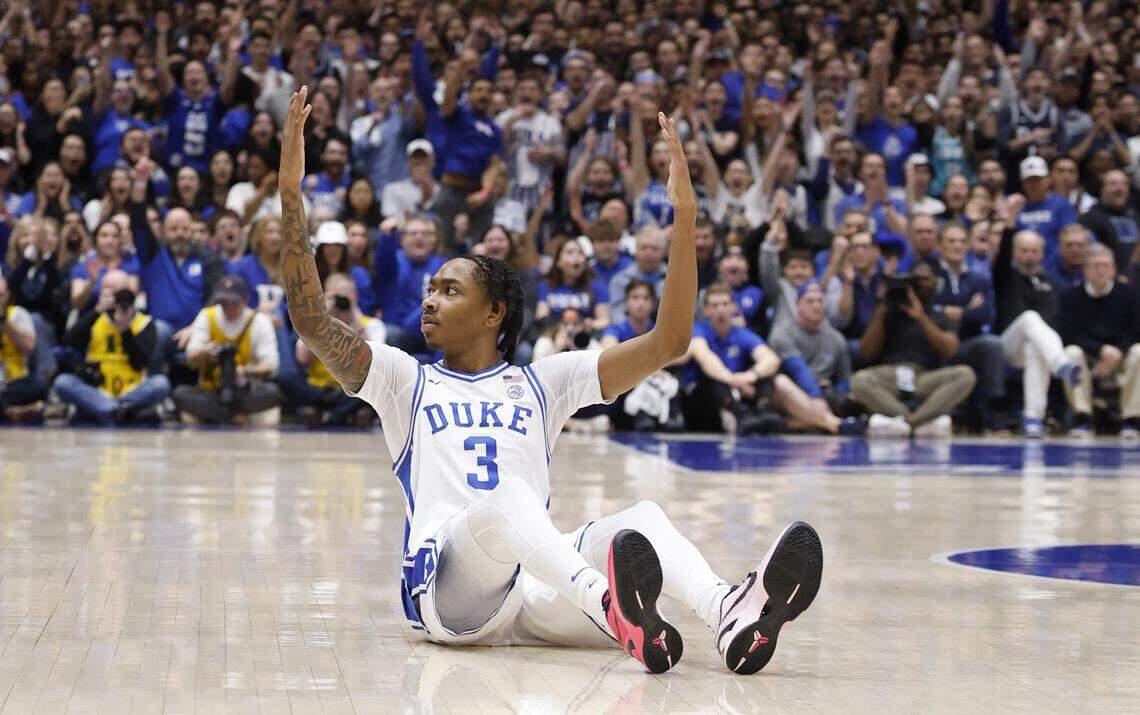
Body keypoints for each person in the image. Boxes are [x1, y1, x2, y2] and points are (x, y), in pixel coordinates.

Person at [277, 87, 821, 675]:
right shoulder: (402, 378)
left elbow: (669, 343)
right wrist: (290, 196)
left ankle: (728, 612)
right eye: (431, 288)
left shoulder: (545, 383)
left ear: (494, 314)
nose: (429, 301)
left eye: (449, 290)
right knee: (506, 498)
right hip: (447, 592)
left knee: (642, 517)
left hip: (532, 590)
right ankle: (612, 608)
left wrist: (685, 218)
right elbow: (309, 319)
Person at [851, 259, 977, 438]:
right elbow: (866, 351)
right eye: (917, 280)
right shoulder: (888, 313)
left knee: (965, 375)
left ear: (936, 283)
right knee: (860, 380)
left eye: (926, 279)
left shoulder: (940, 317)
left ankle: (910, 421)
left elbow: (950, 350)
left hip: (925, 377)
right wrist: (882, 308)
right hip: (892, 374)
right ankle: (914, 420)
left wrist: (921, 318)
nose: (921, 285)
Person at [991, 221, 1083, 437]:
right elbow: (1002, 258)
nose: (1029, 255)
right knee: (1031, 318)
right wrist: (1008, 226)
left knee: (1035, 346)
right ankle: (1062, 365)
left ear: (1042, 254)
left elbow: (1053, 320)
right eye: (1023, 251)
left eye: (1034, 251)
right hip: (1007, 346)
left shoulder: (1050, 283)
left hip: (1037, 348)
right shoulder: (1005, 277)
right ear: (1015, 253)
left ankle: (1033, 418)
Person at [53, 269, 169, 424]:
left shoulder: (144, 323)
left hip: (133, 389)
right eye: (112, 291)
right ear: (102, 292)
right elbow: (70, 342)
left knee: (161, 384)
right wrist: (96, 311)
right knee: (62, 382)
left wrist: (125, 329)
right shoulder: (94, 318)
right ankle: (120, 411)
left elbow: (140, 362)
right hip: (97, 390)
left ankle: (107, 410)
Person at [279, 272, 385, 427]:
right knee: (286, 379)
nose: (339, 302)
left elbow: (375, 361)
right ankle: (339, 413)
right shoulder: (315, 326)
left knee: (373, 386)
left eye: (345, 297)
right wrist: (321, 318)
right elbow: (302, 358)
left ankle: (325, 414)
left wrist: (353, 321)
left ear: (355, 296)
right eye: (334, 297)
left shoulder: (371, 324)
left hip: (351, 389)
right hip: (318, 388)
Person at [1056, 244, 1140, 440]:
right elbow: (1068, 333)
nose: (1101, 270)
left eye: (1106, 265)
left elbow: (1137, 330)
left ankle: (1132, 418)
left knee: (1139, 352)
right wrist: (1101, 350)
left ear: (1113, 269)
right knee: (1070, 353)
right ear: (1085, 269)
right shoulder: (1070, 297)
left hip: (1121, 356)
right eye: (1096, 266)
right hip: (1089, 355)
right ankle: (1082, 415)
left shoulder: (1130, 294)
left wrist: (1117, 351)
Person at [172, 274, 281, 424]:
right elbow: (191, 358)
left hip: (245, 391)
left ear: (245, 300)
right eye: (224, 302)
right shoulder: (206, 316)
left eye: (234, 303)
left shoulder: (259, 321)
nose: (228, 307)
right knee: (180, 394)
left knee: (272, 392)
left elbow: (271, 366)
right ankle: (233, 415)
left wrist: (245, 370)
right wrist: (205, 352)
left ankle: (220, 415)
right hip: (211, 391)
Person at [0, 273, 48, 421]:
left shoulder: (18, 314)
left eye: (0, 295)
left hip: (13, 383)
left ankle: (6, 409)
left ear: (7, 295)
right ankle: (11, 411)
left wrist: (3, 321)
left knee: (40, 385)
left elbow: (28, 347)